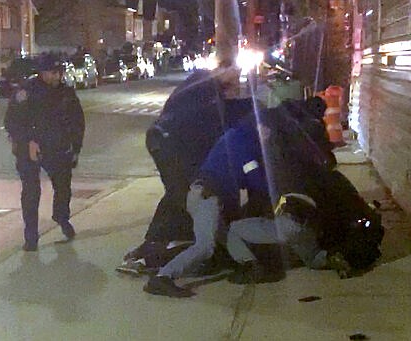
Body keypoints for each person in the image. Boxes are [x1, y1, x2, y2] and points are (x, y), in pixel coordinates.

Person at [143, 97, 338, 297]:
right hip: (206, 197)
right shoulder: (244, 145)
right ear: (260, 126)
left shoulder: (237, 136)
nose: (270, 134)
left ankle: (249, 265)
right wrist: (280, 194)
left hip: (205, 195)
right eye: (268, 130)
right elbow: (256, 180)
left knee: (229, 234)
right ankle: (162, 278)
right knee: (205, 247)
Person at [118, 66, 256, 273]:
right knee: (183, 194)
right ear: (222, 70)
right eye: (234, 77)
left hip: (167, 142)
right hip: (167, 144)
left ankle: (155, 243)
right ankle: (154, 251)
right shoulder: (205, 85)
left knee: (179, 194)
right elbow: (221, 115)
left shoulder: (206, 89)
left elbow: (223, 114)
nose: (237, 83)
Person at [4, 53, 85, 251]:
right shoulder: (26, 92)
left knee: (63, 187)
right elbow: (12, 122)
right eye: (52, 72)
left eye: (59, 72)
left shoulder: (66, 93)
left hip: (58, 148)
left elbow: (77, 121)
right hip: (30, 149)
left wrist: (76, 148)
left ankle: (61, 218)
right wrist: (27, 141)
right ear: (41, 72)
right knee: (31, 191)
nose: (56, 77)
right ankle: (31, 236)